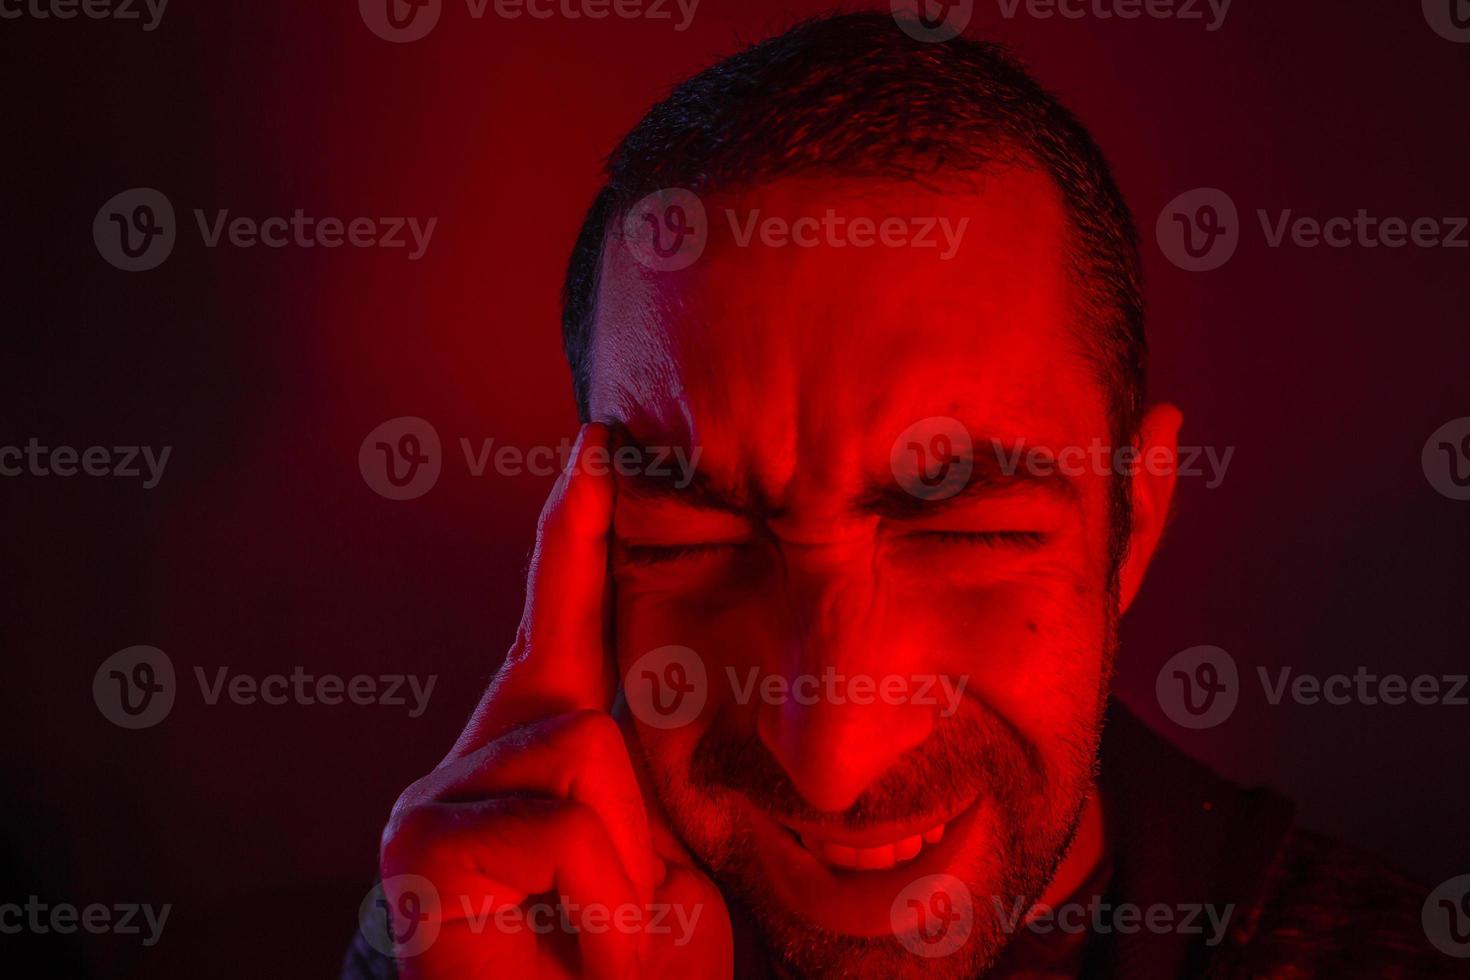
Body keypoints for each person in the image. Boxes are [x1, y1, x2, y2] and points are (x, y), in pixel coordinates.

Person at [345, 12, 1447, 978]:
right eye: (691, 532)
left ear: (1134, 523)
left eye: (964, 523)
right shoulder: (465, 937)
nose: (831, 761)